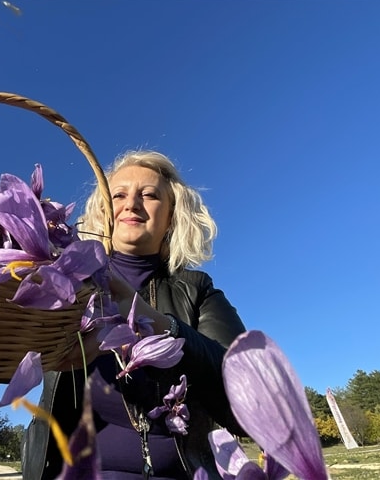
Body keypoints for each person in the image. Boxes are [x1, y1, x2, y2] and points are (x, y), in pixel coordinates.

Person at [22, 150, 247, 479]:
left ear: (171, 215)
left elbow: (247, 401)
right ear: (103, 211)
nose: (132, 204)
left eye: (150, 195)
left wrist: (158, 324)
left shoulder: (196, 289)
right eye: (119, 195)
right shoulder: (64, 282)